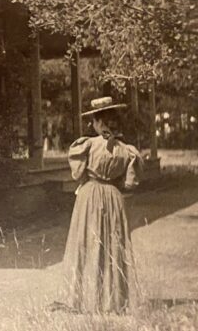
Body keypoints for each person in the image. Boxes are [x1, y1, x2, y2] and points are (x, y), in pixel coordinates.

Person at [60, 96, 142, 314]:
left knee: (86, 243)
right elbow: (130, 183)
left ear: (97, 123)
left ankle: (84, 299)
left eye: (94, 122)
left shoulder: (86, 146)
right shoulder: (127, 150)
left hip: (89, 196)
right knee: (113, 244)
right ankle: (113, 301)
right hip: (114, 197)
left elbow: (77, 174)